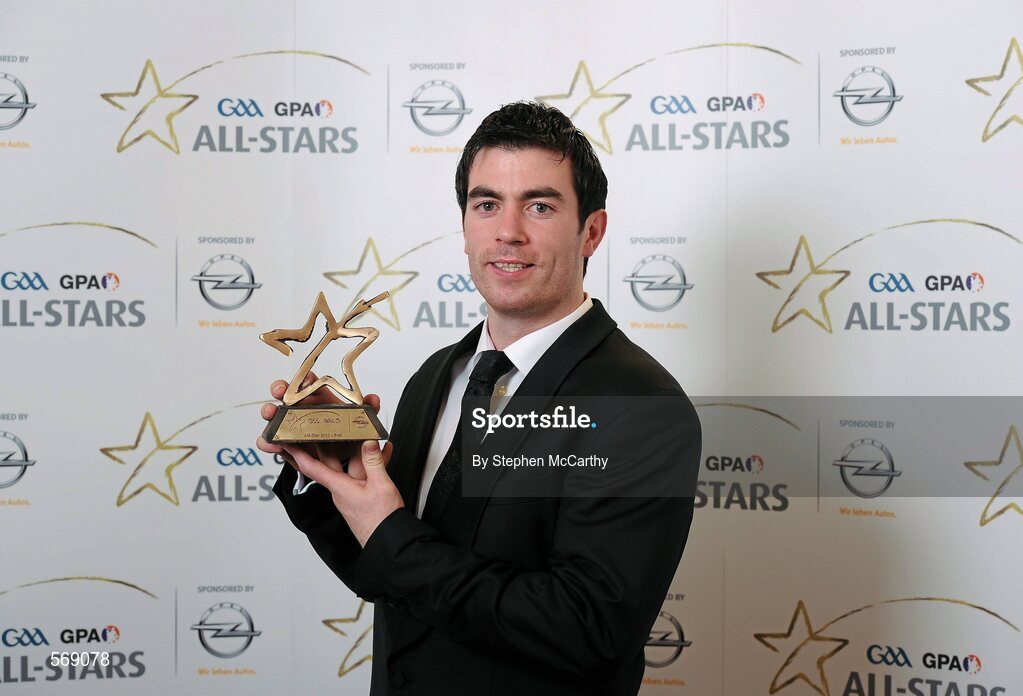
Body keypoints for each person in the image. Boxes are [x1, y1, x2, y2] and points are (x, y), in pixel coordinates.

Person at [257, 102, 701, 695]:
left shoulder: (642, 406)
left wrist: (389, 529)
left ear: (590, 230)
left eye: (539, 206)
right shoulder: (436, 376)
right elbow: (393, 575)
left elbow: (587, 629)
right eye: (486, 203)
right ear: (464, 223)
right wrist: (333, 475)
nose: (507, 231)